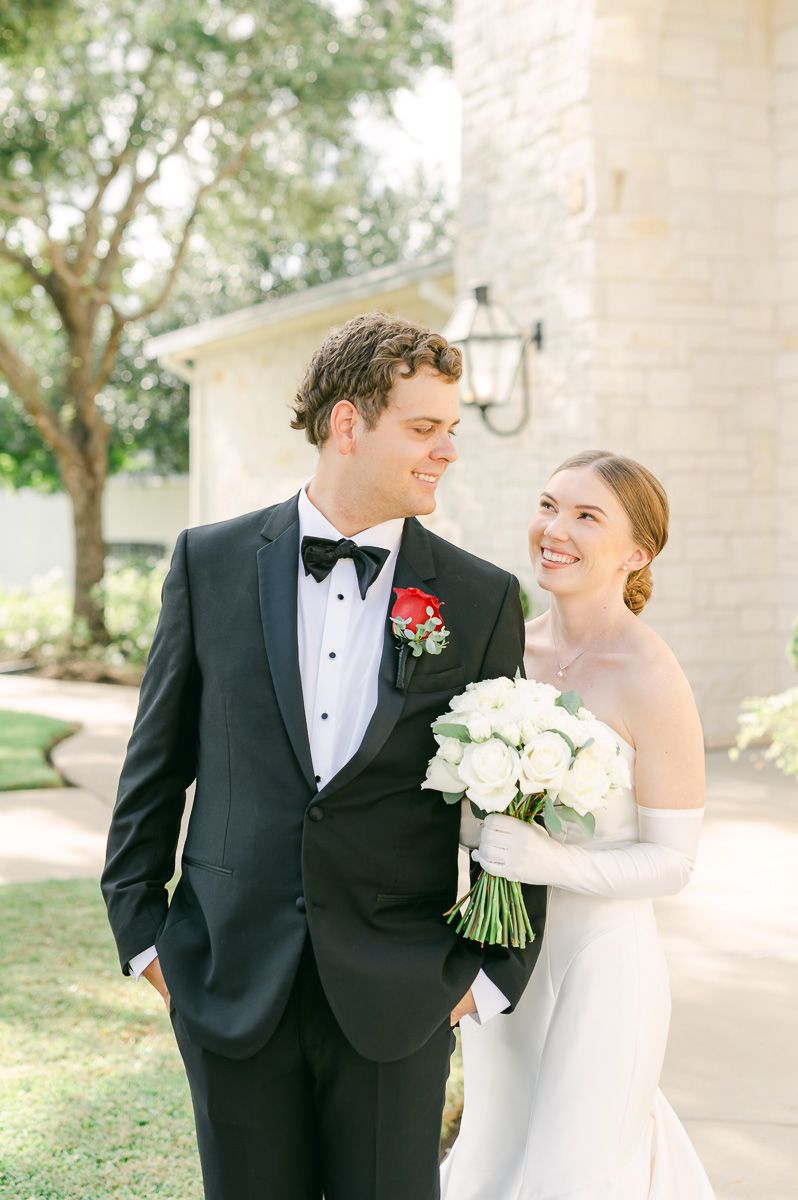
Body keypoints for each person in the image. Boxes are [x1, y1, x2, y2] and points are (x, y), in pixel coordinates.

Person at [101, 312, 545, 1200]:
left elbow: (516, 802)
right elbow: (154, 767)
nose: (446, 451)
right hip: (228, 978)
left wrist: (489, 979)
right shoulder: (208, 562)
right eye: (424, 429)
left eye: (451, 430)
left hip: (398, 997)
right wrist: (146, 939)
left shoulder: (482, 597)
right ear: (348, 424)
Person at [441, 450, 716, 1198]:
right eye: (548, 505)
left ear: (637, 553)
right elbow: (464, 811)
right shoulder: (504, 651)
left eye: (586, 515)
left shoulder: (649, 675)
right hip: (502, 958)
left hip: (605, 971)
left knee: (578, 1173)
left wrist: (551, 862)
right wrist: (478, 832)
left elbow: (673, 861)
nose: (553, 529)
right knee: (493, 1158)